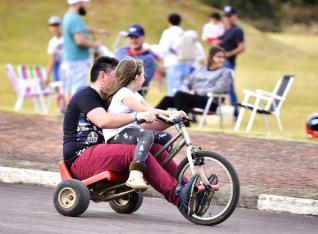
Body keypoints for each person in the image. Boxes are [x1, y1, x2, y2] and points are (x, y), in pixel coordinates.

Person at [63, 55, 203, 216]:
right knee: (133, 151)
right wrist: (137, 116)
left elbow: (141, 126)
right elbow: (103, 121)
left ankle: (191, 190)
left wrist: (172, 120)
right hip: (81, 157)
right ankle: (178, 198)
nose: (121, 80)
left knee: (153, 145)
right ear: (102, 76)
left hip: (105, 151)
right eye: (116, 76)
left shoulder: (112, 99)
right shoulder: (86, 95)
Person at [103, 58, 179, 191]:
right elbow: (144, 111)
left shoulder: (135, 94)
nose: (145, 77)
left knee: (165, 137)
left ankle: (156, 167)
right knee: (147, 134)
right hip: (116, 135)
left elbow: (152, 109)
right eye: (143, 74)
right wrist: (170, 115)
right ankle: (135, 174)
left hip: (131, 132)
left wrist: (174, 114)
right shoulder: (123, 93)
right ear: (136, 77)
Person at [156, 46, 233, 121]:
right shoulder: (201, 69)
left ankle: (184, 121)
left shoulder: (226, 72)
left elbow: (220, 88)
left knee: (180, 95)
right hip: (193, 98)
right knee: (167, 99)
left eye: (223, 57)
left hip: (210, 101)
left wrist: (197, 92)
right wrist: (187, 91)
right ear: (211, 57)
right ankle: (153, 117)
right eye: (219, 57)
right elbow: (187, 82)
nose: (222, 59)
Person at [62, 0, 110, 110]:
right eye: (83, 3)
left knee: (68, 88)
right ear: (79, 4)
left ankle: (67, 113)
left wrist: (98, 31)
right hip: (77, 60)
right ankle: (75, 114)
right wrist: (94, 44)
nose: (84, 6)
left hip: (69, 58)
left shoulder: (68, 16)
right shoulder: (75, 18)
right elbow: (80, 41)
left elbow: (81, 29)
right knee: (77, 87)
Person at [216, 6, 245, 118]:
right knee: (221, 86)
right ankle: (221, 111)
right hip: (221, 62)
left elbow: (241, 47)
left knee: (229, 87)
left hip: (228, 62)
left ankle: (235, 112)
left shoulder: (237, 30)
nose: (227, 18)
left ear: (234, 16)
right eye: (226, 16)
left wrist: (228, 54)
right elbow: (221, 42)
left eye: (229, 16)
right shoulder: (226, 30)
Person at [115, 24, 156, 94]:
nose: (133, 40)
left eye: (136, 37)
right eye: (131, 37)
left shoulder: (148, 58)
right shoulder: (121, 51)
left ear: (143, 38)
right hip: (115, 89)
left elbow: (144, 80)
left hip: (135, 93)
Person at [46, 15, 64, 112]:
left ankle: (67, 110)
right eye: (53, 25)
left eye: (57, 25)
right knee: (59, 91)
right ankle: (61, 110)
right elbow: (51, 61)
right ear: (50, 28)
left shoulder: (67, 37)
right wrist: (47, 76)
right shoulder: (52, 42)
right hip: (58, 69)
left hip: (69, 67)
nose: (55, 27)